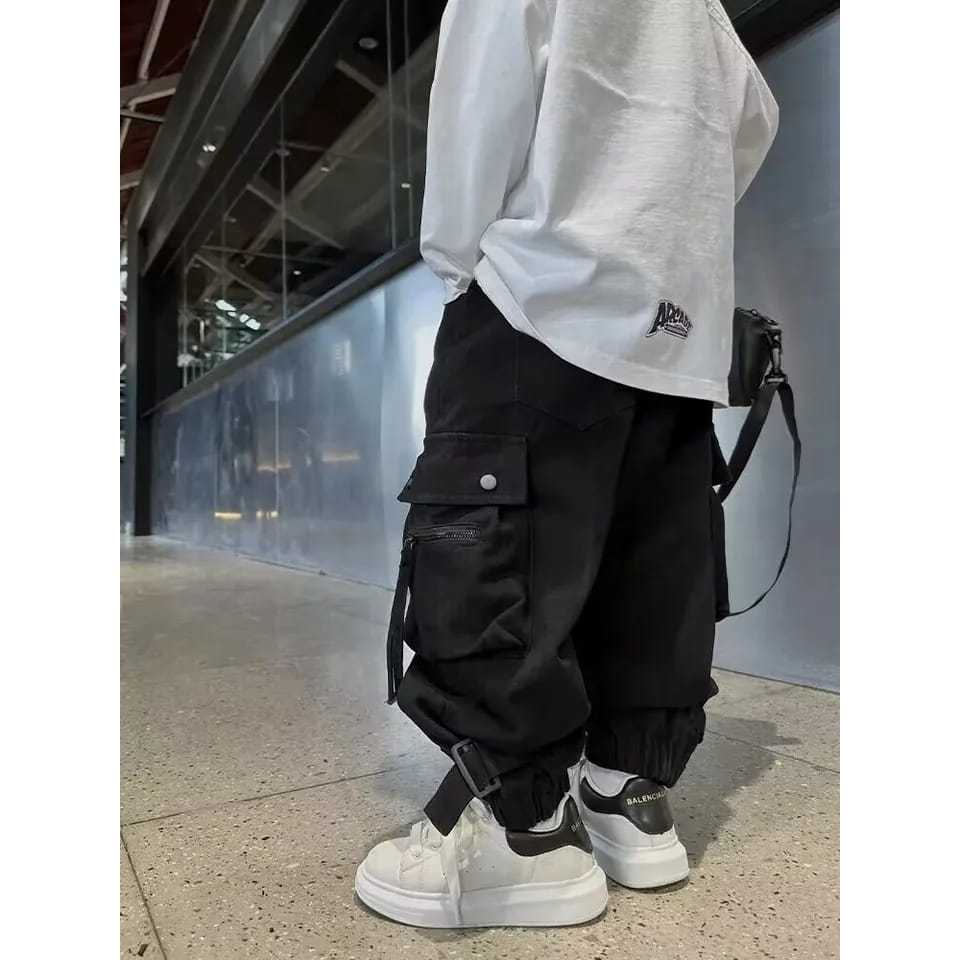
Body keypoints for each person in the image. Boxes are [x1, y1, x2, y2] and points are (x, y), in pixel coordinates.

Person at [355, 0, 778, 928]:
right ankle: (631, 795)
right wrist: (658, 240)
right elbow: (752, 120)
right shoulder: (703, 14)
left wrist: (461, 264)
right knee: (653, 556)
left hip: (542, 301)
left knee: (501, 551)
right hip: (678, 332)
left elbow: (479, 109)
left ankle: (518, 836)